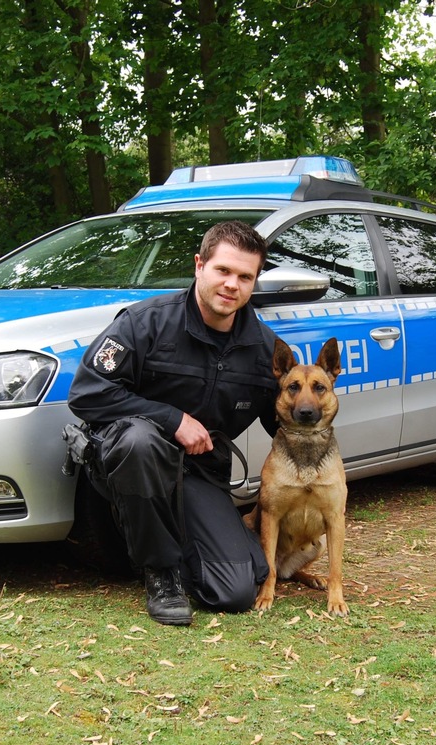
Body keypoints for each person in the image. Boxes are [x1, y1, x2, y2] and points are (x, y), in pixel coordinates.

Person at [68, 220, 279, 626]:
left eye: (245, 276)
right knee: (141, 440)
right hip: (129, 460)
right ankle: (161, 574)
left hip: (198, 472)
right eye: (223, 270)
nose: (232, 284)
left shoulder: (262, 347)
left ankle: (152, 538)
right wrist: (172, 418)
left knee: (234, 590)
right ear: (199, 265)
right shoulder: (144, 324)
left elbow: (285, 423)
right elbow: (86, 393)